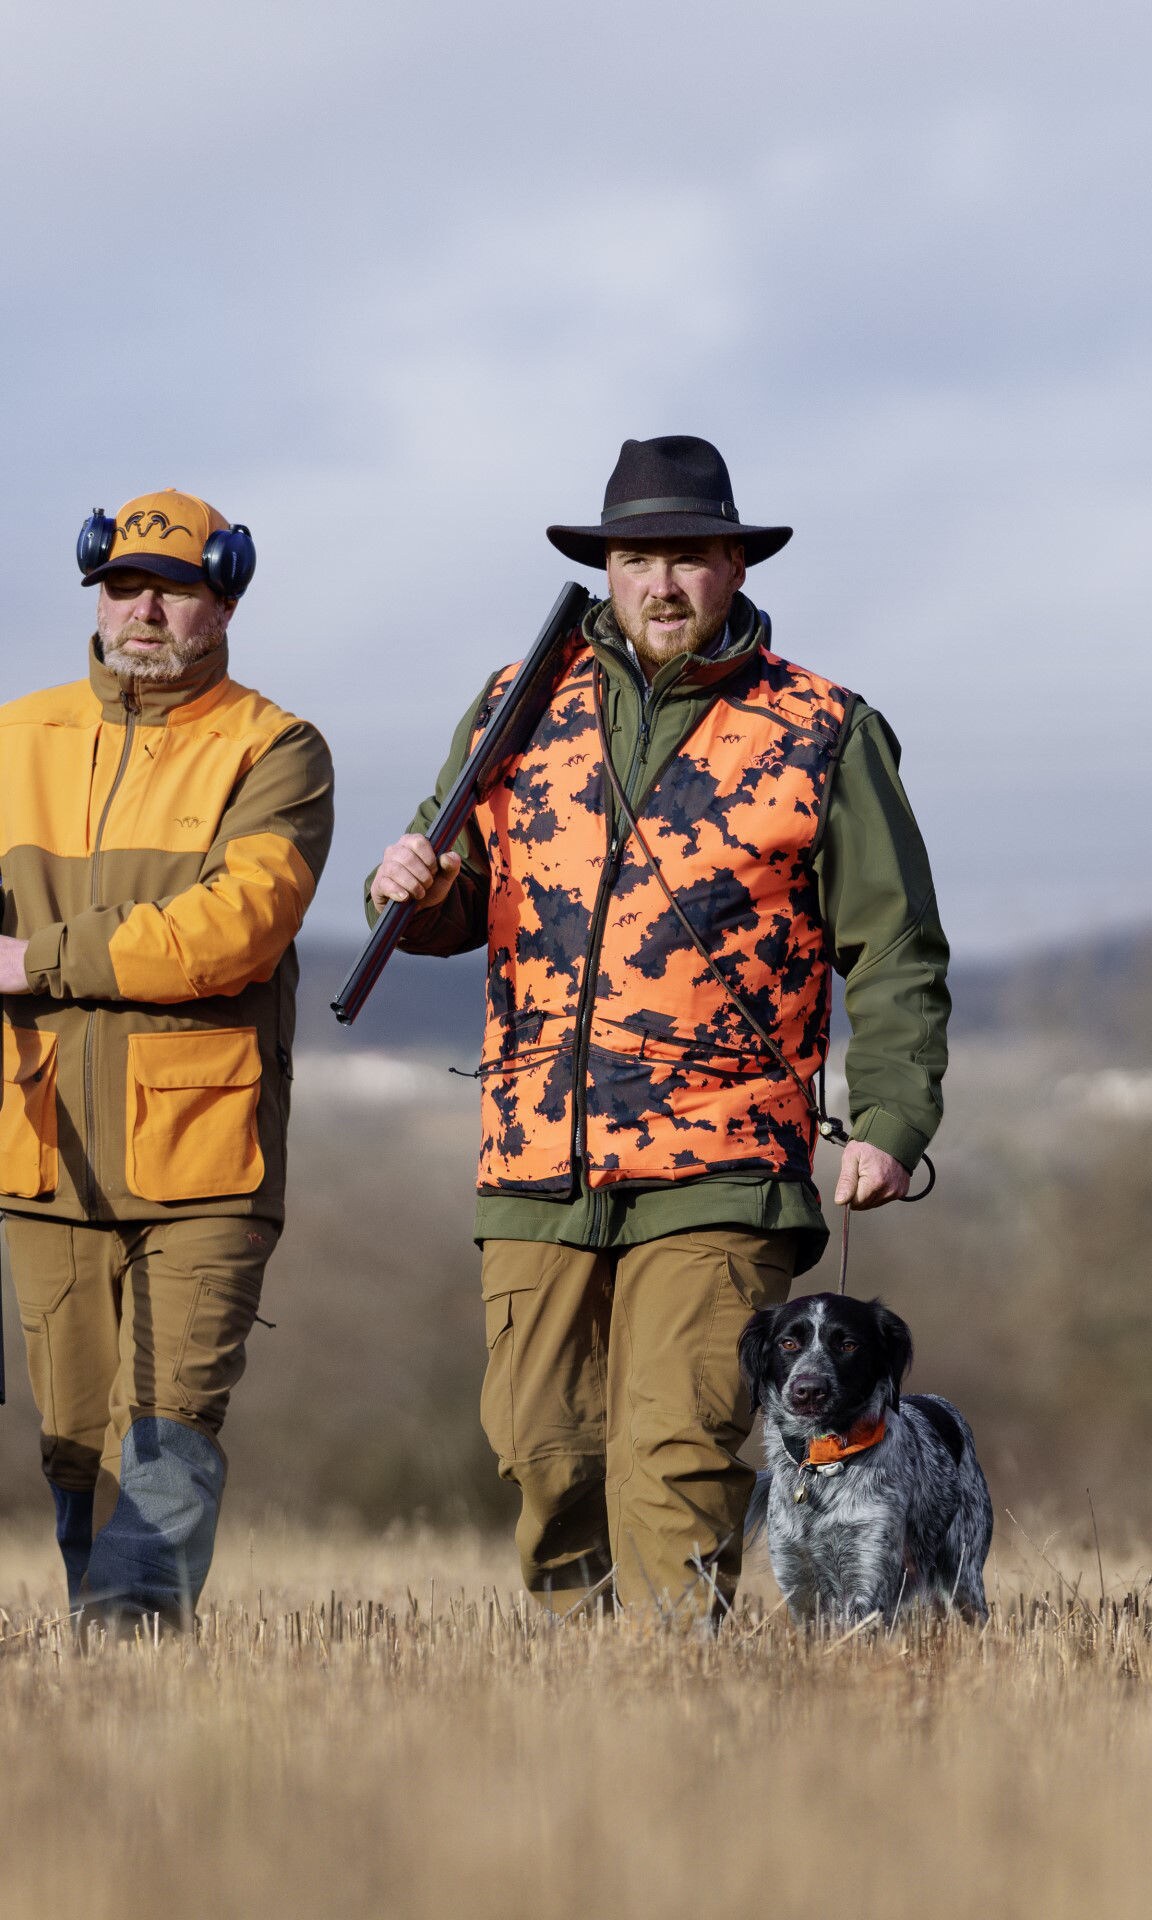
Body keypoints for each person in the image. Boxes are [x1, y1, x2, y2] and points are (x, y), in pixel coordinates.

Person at [369, 434, 949, 1620]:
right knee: (541, 1447)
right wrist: (409, 890)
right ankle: (584, 1722)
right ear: (608, 568)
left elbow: (892, 948)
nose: (663, 585)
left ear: (735, 566)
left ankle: (675, 1711)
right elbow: (450, 898)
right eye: (638, 560)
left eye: (690, 557)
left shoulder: (823, 728)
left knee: (675, 1454)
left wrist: (889, 1117)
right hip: (536, 1155)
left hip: (723, 1162)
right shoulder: (514, 703)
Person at [0, 490, 334, 1624]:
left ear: (223, 601)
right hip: (42, 1150)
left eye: (176, 589)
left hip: (206, 1156)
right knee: (73, 1448)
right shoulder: (14, 737)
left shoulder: (276, 749)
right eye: (123, 586)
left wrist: (39, 959)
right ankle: (111, 1688)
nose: (144, 610)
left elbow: (235, 930)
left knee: (166, 1432)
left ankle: (136, 1648)